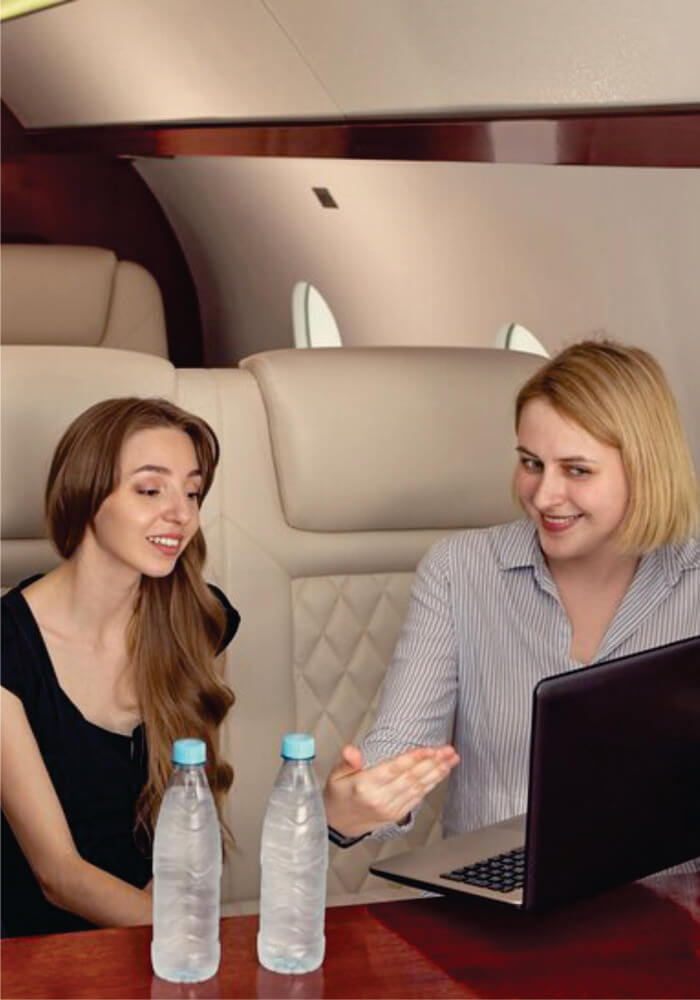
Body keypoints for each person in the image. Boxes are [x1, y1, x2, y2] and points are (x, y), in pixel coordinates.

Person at [324, 340, 699, 844]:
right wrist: (353, 807)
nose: (544, 496)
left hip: (664, 905)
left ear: (646, 468)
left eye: (577, 470)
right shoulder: (460, 571)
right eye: (531, 463)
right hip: (496, 901)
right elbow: (400, 746)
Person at [1, 398, 239, 937]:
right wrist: (194, 947)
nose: (181, 514)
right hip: (31, 953)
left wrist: (174, 936)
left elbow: (189, 810)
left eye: (192, 492)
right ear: (84, 494)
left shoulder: (200, 620)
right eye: (151, 490)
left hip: (156, 935)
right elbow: (58, 874)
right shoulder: (7, 648)